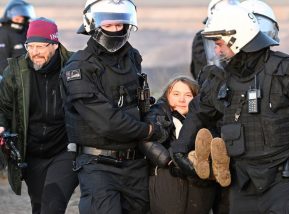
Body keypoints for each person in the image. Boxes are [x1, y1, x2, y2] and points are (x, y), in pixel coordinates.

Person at [172, 2, 289, 213]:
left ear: (237, 39)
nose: (216, 50)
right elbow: (199, 111)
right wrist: (180, 149)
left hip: (285, 180)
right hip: (241, 183)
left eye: (219, 43)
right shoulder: (219, 79)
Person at [60, 0, 168, 213]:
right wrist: (148, 130)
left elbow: (141, 102)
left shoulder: (132, 57)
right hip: (98, 164)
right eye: (109, 25)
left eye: (120, 24)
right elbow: (105, 121)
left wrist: (155, 115)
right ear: (92, 24)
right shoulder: (79, 67)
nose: (116, 30)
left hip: (135, 162)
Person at [0, 17, 78, 214]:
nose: (34, 52)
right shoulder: (15, 72)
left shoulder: (74, 67)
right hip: (32, 154)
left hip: (65, 149)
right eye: (30, 45)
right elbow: (2, 108)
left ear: (54, 44)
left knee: (52, 206)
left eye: (41, 46)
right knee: (39, 206)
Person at [140, 76, 220, 214]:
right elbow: (146, 140)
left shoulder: (207, 121)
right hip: (167, 181)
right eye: (176, 94)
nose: (181, 100)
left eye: (188, 95)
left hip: (199, 187)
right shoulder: (156, 115)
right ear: (167, 95)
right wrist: (171, 161)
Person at [0, 0, 35, 74]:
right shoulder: (3, 32)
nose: (20, 22)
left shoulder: (26, 30)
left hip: (28, 74)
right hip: (11, 76)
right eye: (17, 19)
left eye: (22, 19)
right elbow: (2, 61)